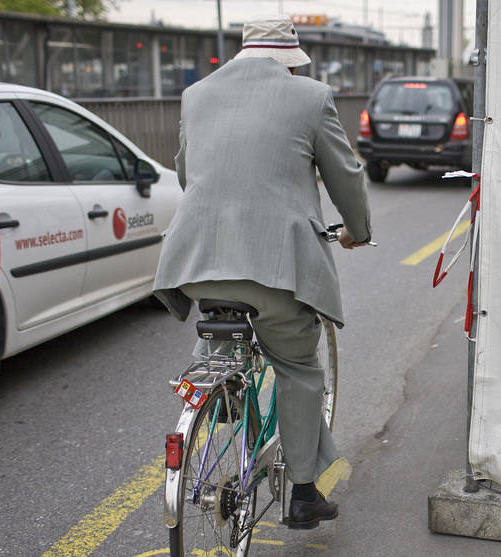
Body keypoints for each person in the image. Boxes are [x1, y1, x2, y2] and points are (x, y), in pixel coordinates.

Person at [153, 14, 373, 530]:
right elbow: (346, 176)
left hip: (197, 262)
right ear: (290, 61)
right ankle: (303, 492)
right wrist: (357, 230)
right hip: (276, 271)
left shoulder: (197, 94)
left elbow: (190, 174)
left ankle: (222, 394)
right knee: (297, 366)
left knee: (221, 326)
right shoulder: (311, 97)